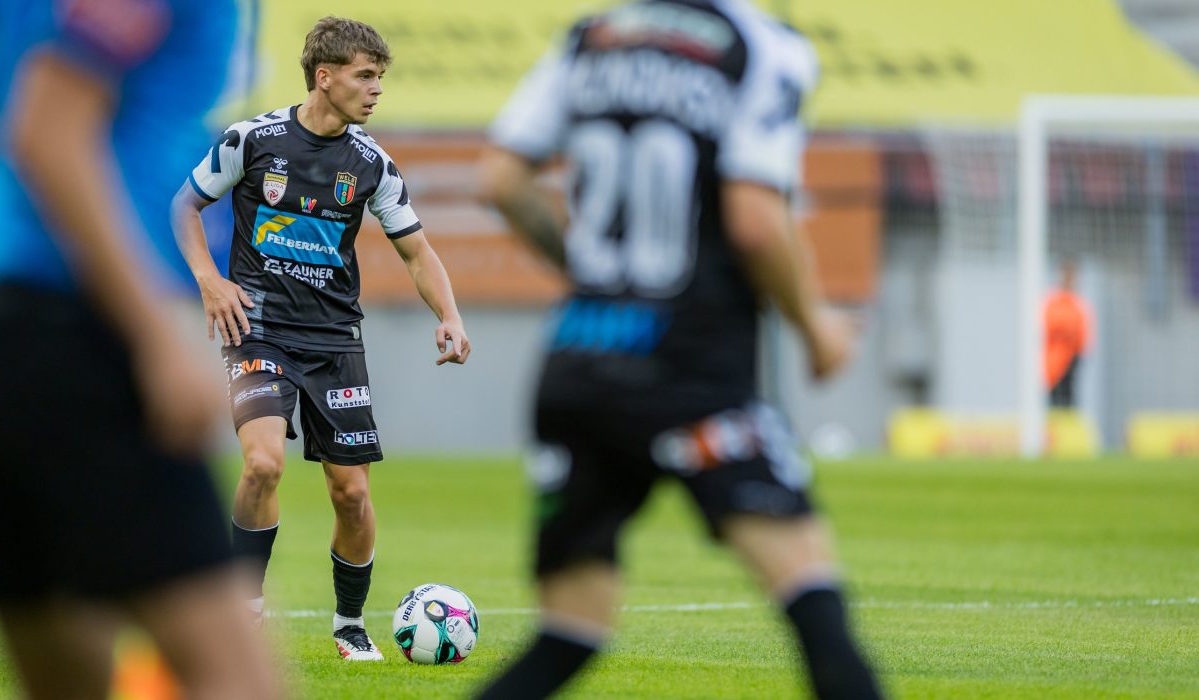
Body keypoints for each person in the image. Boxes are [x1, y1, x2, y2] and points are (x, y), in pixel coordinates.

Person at [476, 1, 883, 698]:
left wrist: (592, 276)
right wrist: (816, 327)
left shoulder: (591, 38)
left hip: (577, 362)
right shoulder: (760, 46)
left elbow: (500, 179)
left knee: (570, 630)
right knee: (811, 597)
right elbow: (757, 224)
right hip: (691, 373)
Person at [0, 0, 279, 698]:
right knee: (235, 678)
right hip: (74, 335)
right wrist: (156, 338)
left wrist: (4, 236)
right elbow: (47, 130)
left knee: (68, 677)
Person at [170, 16, 471, 661]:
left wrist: (450, 315)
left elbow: (417, 252)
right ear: (325, 76)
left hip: (334, 340)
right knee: (262, 463)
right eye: (366, 76)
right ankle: (244, 608)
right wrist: (209, 280)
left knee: (352, 494)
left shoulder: (372, 164)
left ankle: (349, 624)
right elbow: (184, 206)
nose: (376, 89)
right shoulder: (252, 140)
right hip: (257, 329)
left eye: (380, 77)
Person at [1045, 261, 1094, 408]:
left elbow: (1083, 334)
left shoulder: (1078, 303)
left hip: (1072, 359)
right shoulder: (1054, 302)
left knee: (1069, 400)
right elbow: (1050, 326)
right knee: (1055, 400)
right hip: (1055, 363)